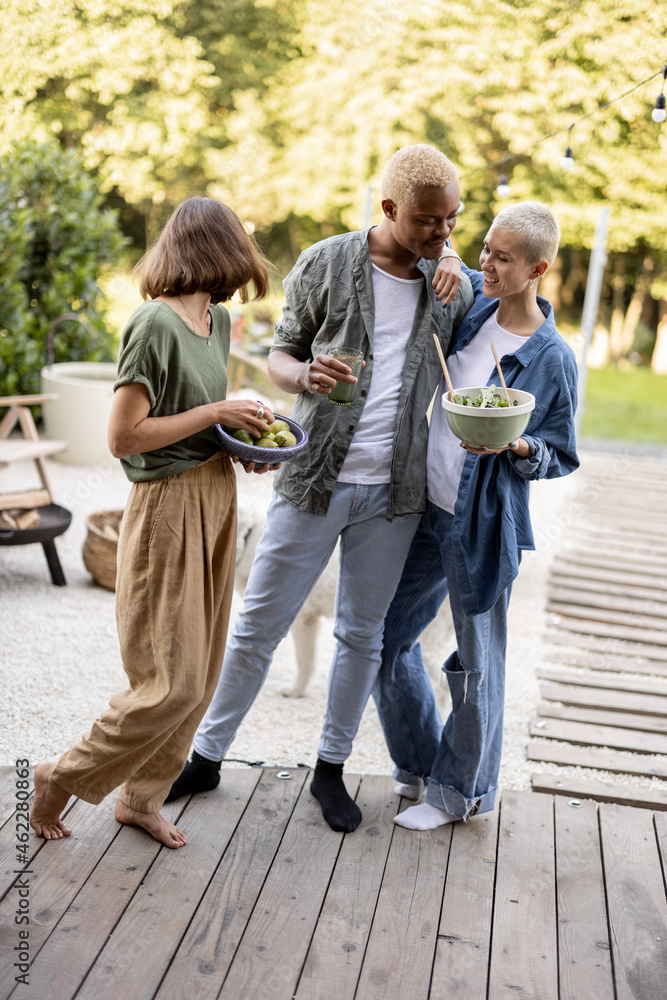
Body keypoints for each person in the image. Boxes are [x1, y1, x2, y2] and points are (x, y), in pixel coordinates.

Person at [168, 144, 473, 833]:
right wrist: (301, 378)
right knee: (256, 626)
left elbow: (497, 309)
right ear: (389, 208)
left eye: (452, 220)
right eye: (429, 221)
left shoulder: (449, 280)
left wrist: (451, 259)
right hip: (313, 476)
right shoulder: (327, 262)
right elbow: (280, 352)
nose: (441, 232)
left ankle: (330, 770)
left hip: (395, 491)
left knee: (361, 635)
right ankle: (208, 755)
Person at [30, 196, 275, 848]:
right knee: (171, 681)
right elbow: (124, 437)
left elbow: (196, 419)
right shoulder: (154, 324)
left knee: (203, 679)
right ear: (217, 251)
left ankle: (141, 798)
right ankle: (63, 773)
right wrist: (218, 411)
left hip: (215, 498)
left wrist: (239, 445)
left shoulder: (214, 323)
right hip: (167, 506)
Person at [373, 201, 579, 830]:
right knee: (386, 639)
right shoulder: (473, 308)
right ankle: (419, 764)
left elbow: (561, 453)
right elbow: (436, 252)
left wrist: (517, 447)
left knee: (475, 662)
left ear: (538, 268)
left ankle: (461, 794)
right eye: (486, 249)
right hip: (427, 509)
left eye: (504, 257)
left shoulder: (551, 358)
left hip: (482, 523)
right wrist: (460, 257)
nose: (488, 263)